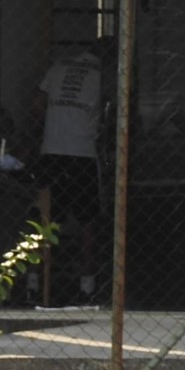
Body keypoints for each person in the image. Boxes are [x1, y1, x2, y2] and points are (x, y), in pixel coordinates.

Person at [33, 37, 114, 303]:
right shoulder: (103, 75)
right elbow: (111, 110)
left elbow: (38, 104)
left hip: (52, 149)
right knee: (87, 222)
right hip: (82, 153)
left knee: (43, 218)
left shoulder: (58, 67)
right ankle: (87, 288)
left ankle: (35, 283)